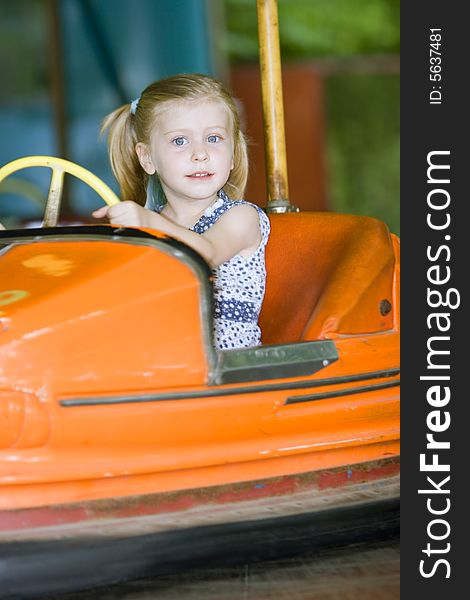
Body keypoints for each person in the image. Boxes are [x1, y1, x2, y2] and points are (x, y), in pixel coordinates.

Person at [93, 73, 270, 351]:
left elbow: (206, 253)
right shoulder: (149, 224)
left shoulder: (241, 217)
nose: (200, 153)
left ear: (233, 151)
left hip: (227, 366)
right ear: (147, 157)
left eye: (213, 138)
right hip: (170, 356)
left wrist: (147, 221)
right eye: (179, 141)